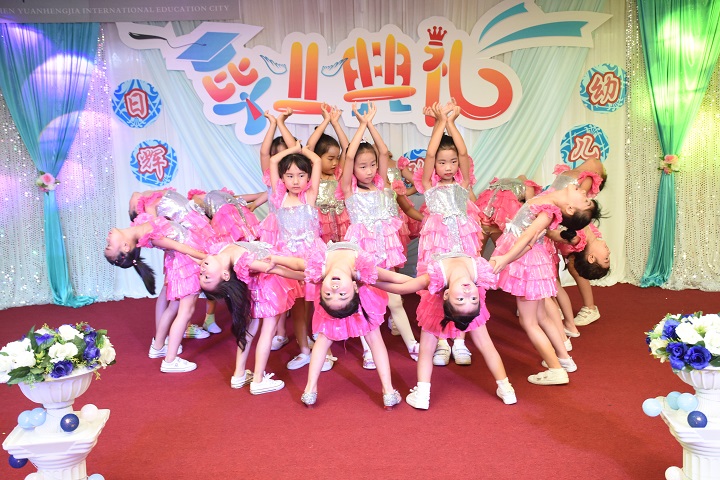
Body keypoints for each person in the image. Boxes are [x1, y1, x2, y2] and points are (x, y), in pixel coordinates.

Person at [268, 242, 402, 410]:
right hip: (361, 295)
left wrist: (275, 260)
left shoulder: (321, 269)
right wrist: (423, 283)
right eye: (339, 294)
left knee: (328, 339)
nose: (335, 289)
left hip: (361, 297)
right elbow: (395, 278)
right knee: (369, 339)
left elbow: (297, 264)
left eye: (329, 294)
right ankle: (388, 392)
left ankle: (310, 390)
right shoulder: (357, 271)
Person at [489, 183, 600, 385]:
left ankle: (556, 369)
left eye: (585, 201)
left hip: (528, 263)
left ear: (570, 208)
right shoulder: (551, 198)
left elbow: (527, 236)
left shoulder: (548, 211)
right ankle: (564, 359)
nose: (584, 192)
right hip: (534, 261)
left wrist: (505, 259)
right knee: (541, 317)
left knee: (529, 321)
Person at [375, 252, 516, 409]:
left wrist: (369, 280)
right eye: (473, 299)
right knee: (482, 344)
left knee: (428, 350)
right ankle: (506, 389)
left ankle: (422, 395)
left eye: (461, 300)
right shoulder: (481, 271)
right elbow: (511, 255)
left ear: (447, 294)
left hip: (435, 300)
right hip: (447, 251)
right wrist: (518, 250)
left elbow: (403, 288)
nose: (468, 294)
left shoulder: (435, 277)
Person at [341, 102, 419, 367]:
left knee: (395, 300)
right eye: (363, 166)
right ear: (353, 170)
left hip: (384, 252)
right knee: (363, 301)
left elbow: (384, 152)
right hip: (363, 254)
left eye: (372, 165)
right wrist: (360, 126)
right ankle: (368, 350)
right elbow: (348, 158)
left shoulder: (382, 184)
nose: (369, 170)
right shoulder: (350, 190)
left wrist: (370, 124)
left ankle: (412, 344)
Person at [105, 194, 215, 373]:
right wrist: (205, 257)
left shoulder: (142, 225)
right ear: (125, 247)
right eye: (109, 246)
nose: (107, 239)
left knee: (174, 307)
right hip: (186, 262)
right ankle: (170, 360)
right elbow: (180, 247)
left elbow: (150, 207)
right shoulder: (150, 235)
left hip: (181, 261)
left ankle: (158, 346)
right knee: (186, 311)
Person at [409, 101, 482, 367]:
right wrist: (439, 122)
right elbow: (430, 154)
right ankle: (441, 341)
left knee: (463, 286)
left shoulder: (463, 183)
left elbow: (463, 152)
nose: (448, 167)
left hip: (463, 239)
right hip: (436, 241)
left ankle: (460, 341)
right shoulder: (428, 185)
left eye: (452, 162)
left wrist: (451, 121)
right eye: (442, 162)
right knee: (439, 288)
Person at [198, 241, 301, 394]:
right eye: (206, 277)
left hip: (256, 286)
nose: (202, 270)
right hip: (269, 288)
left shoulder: (219, 250)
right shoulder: (242, 261)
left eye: (201, 275)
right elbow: (276, 270)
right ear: (225, 275)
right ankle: (258, 380)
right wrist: (305, 276)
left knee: (249, 329)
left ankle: (239, 374)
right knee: (268, 331)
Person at [269, 139, 328, 370]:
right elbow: (273, 161)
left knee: (320, 304)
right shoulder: (279, 197)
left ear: (308, 178)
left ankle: (325, 351)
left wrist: (303, 150)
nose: (296, 181)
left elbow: (317, 161)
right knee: (298, 307)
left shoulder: (309, 195)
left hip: (311, 257)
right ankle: (304, 350)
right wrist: (293, 149)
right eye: (290, 176)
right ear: (282, 179)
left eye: (301, 175)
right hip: (289, 261)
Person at [187, 187, 263, 334]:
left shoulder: (229, 198)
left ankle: (246, 312)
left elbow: (244, 198)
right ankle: (209, 318)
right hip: (225, 232)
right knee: (217, 276)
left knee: (235, 275)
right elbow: (200, 220)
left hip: (242, 229)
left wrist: (264, 195)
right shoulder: (197, 202)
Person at [306, 103, 351, 244]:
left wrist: (335, 123)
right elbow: (310, 146)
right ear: (317, 157)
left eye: (337, 158)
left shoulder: (337, 174)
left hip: (341, 223)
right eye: (330, 159)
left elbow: (347, 148)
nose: (335, 162)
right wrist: (326, 121)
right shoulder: (313, 174)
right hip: (320, 225)